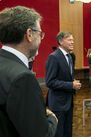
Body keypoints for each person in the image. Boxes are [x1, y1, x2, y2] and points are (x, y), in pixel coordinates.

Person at [0, 6, 57, 137]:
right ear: (29, 34)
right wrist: (52, 119)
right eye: (40, 34)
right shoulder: (23, 78)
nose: (41, 38)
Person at [45, 31, 81, 137]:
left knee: (67, 132)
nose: (73, 42)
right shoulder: (54, 57)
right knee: (59, 133)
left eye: (73, 40)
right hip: (58, 103)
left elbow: (65, 76)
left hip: (69, 102)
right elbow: (50, 82)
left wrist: (72, 81)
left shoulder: (69, 57)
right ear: (60, 41)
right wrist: (71, 85)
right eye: (70, 40)